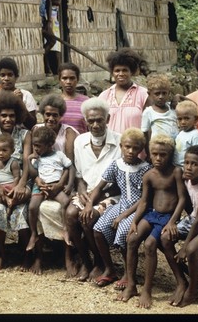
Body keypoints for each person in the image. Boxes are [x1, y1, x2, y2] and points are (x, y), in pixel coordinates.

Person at [117, 134, 187, 308]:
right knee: (131, 239)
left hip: (166, 217)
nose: (158, 158)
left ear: (170, 155)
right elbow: (144, 201)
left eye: (163, 155)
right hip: (152, 215)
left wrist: (172, 221)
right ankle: (132, 284)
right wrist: (134, 220)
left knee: (149, 244)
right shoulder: (149, 175)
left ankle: (147, 289)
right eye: (154, 154)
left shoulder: (176, 172)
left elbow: (182, 199)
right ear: (149, 153)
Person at [65, 98, 122, 282]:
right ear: (85, 121)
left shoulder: (119, 141)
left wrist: (92, 201)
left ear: (108, 118)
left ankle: (99, 262)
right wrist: (81, 191)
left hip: (110, 194)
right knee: (71, 214)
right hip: (88, 192)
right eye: (91, 121)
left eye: (99, 120)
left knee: (88, 217)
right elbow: (80, 175)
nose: (95, 124)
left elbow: (118, 181)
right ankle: (86, 261)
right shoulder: (80, 141)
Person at [90, 128, 152, 288]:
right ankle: (109, 269)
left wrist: (123, 215)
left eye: (136, 148)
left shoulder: (146, 169)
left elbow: (144, 199)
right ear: (121, 146)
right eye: (127, 147)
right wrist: (89, 205)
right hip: (122, 204)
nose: (131, 151)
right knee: (98, 229)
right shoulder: (116, 165)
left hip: (138, 209)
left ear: (141, 149)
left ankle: (128, 273)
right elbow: (99, 187)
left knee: (124, 231)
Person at [161, 145, 198, 307]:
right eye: (186, 163)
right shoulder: (186, 178)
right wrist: (172, 222)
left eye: (194, 164)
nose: (189, 167)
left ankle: (192, 291)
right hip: (192, 219)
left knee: (192, 250)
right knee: (165, 238)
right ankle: (182, 280)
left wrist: (184, 247)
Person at [31, 93, 80, 276]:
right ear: (42, 113)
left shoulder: (68, 132)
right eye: (47, 114)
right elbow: (30, 161)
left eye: (55, 115)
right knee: (34, 206)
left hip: (63, 181)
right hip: (40, 181)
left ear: (62, 115)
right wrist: (38, 181)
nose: (51, 118)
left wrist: (61, 185)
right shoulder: (36, 129)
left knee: (64, 208)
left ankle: (68, 256)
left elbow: (70, 163)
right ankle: (38, 255)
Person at [0, 91, 32, 271]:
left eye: (12, 115)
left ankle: (27, 255)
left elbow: (26, 161)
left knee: (21, 209)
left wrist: (21, 184)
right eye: (4, 115)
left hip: (21, 180)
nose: (8, 119)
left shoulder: (25, 134)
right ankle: (1, 255)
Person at [26, 126, 75, 252]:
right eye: (34, 145)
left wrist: (69, 185)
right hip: (40, 187)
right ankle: (33, 234)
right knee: (32, 207)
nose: (36, 148)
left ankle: (65, 230)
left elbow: (70, 168)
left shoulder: (59, 155)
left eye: (38, 146)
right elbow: (33, 174)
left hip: (55, 186)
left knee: (65, 202)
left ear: (49, 145)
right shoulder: (37, 158)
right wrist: (28, 160)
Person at [98, 48, 152, 138]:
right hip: (111, 149)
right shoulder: (104, 96)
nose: (121, 74)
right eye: (117, 70)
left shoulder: (143, 94)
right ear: (112, 73)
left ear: (132, 72)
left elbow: (150, 125)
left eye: (125, 70)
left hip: (136, 149)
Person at [0, 57, 37, 131]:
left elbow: (32, 125)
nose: (6, 78)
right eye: (2, 75)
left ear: (16, 77)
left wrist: (20, 102)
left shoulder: (26, 95)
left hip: (22, 140)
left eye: (10, 75)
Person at [141, 73, 179, 159]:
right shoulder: (148, 112)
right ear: (149, 94)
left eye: (164, 93)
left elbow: (193, 106)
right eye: (157, 94)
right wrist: (149, 154)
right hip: (159, 152)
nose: (161, 97)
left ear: (169, 93)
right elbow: (145, 135)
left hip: (176, 149)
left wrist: (179, 96)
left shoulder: (173, 108)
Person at [57, 62, 89, 134]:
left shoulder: (86, 102)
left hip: (81, 143)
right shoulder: (54, 102)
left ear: (77, 79)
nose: (68, 82)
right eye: (64, 78)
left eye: (72, 78)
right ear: (59, 80)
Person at [173, 100, 198, 167]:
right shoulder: (181, 133)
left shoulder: (195, 135)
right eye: (180, 119)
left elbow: (197, 154)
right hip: (175, 165)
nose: (183, 122)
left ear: (196, 119)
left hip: (186, 168)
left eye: (186, 118)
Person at [40, 0, 63, 76]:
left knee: (53, 42)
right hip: (43, 15)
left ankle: (52, 69)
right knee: (50, 41)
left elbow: (53, 1)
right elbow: (49, 1)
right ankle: (46, 67)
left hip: (47, 16)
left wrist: (49, 21)